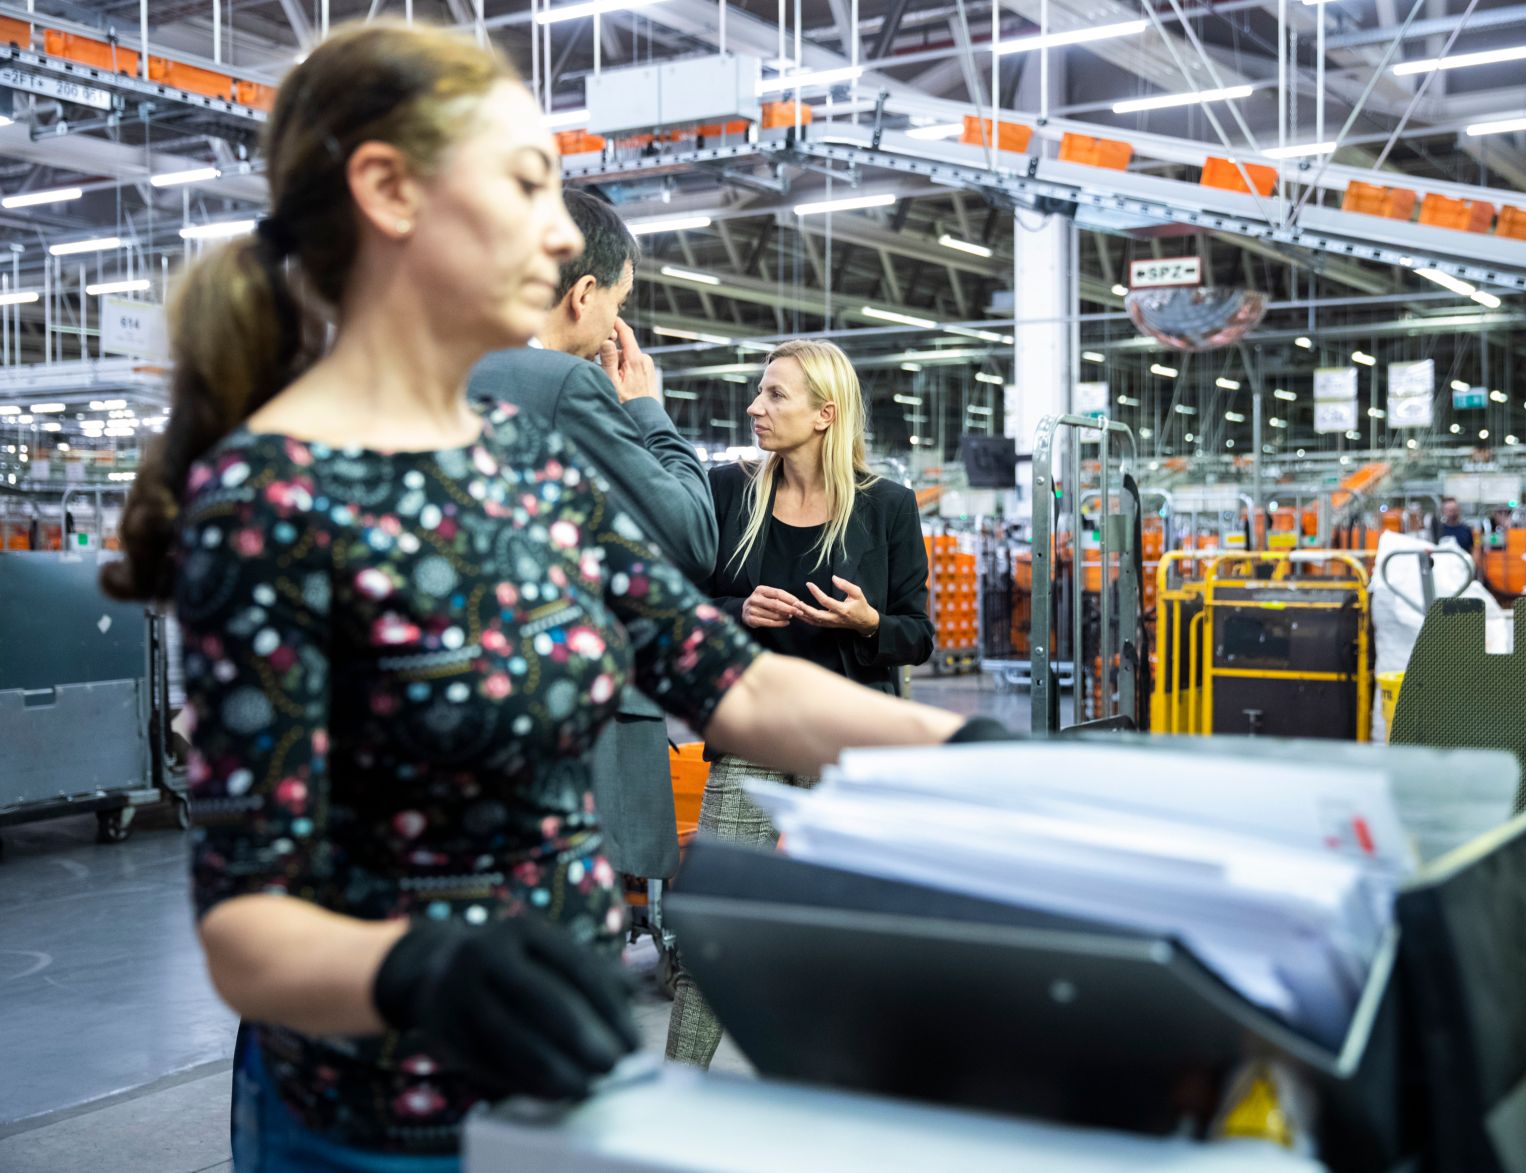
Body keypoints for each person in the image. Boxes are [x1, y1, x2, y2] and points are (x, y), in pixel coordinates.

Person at [98, 24, 969, 1169]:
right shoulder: (270, 500)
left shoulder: (525, 454)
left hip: (561, 1103)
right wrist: (419, 968)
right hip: (371, 1127)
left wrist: (975, 750)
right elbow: (247, 935)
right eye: (524, 188)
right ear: (388, 190)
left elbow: (733, 687)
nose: (561, 236)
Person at [665, 338, 933, 1068]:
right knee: (710, 929)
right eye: (759, 391)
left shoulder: (886, 507)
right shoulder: (730, 492)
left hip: (848, 745)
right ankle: (673, 1098)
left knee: (853, 935)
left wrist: (868, 623)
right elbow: (681, 604)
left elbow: (918, 634)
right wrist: (736, 607)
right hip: (751, 732)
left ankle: (851, 1104)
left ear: (825, 413)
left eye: (774, 394)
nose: (755, 405)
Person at [469, 189, 711, 885]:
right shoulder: (557, 382)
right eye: (618, 300)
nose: (617, 322)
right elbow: (689, 534)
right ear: (581, 293)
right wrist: (647, 414)